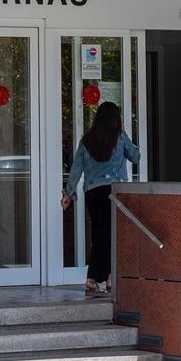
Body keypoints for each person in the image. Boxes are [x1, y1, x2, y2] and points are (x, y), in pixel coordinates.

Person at [61, 101, 140, 296]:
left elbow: (76, 169)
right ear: (115, 120)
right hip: (113, 192)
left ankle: (109, 277)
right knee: (107, 236)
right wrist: (124, 133)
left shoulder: (87, 140)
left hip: (92, 193)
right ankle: (93, 278)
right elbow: (136, 156)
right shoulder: (119, 138)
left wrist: (68, 193)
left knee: (101, 234)